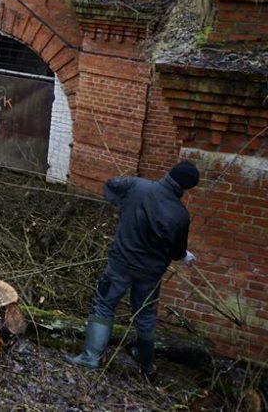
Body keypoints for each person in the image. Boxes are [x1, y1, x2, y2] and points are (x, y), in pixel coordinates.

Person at [68, 161, 200, 379]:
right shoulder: (181, 215)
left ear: (170, 172)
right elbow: (177, 251)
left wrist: (121, 202)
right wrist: (185, 255)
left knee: (103, 304)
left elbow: (111, 186)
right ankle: (146, 365)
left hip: (121, 263)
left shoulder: (136, 186)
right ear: (187, 187)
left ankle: (90, 358)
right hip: (151, 273)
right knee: (146, 315)